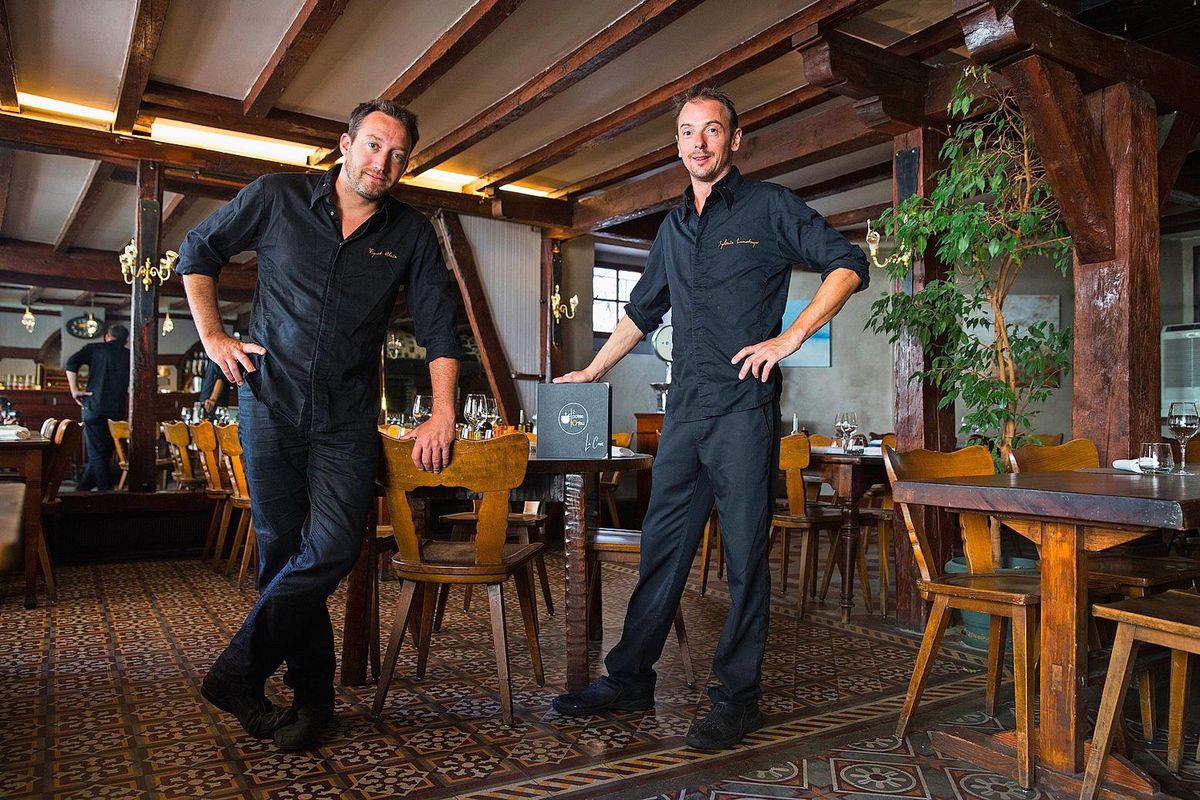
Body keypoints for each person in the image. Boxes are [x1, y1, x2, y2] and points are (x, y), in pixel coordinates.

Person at [551, 87, 870, 750]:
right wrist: (593, 371)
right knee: (661, 551)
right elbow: (642, 312)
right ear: (677, 143)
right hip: (685, 413)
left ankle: (738, 697)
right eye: (688, 132)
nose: (699, 142)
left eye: (712, 130)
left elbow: (849, 264)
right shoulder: (673, 228)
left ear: (735, 139)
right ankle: (631, 676)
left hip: (744, 413)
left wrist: (790, 338)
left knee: (747, 557)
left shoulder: (769, 207)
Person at [175, 98, 462, 751]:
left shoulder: (411, 232)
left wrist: (443, 410)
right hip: (268, 400)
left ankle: (235, 676)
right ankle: (313, 701)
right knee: (282, 551)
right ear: (346, 143)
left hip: (346, 414)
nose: (382, 162)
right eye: (372, 145)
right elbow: (198, 248)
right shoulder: (276, 197)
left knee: (331, 548)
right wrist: (214, 335)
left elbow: (440, 324)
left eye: (397, 154)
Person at [66, 324, 131, 491]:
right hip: (116, 410)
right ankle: (82, 491)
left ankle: (105, 493)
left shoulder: (95, 348)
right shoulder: (130, 355)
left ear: (107, 337)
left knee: (96, 455)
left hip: (93, 407)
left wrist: (74, 390)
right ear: (126, 340)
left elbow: (71, 363)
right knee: (104, 454)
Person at [198, 351, 230, 417]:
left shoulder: (217, 357)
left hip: (213, 404)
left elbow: (220, 379)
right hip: (208, 402)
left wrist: (213, 399)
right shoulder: (211, 358)